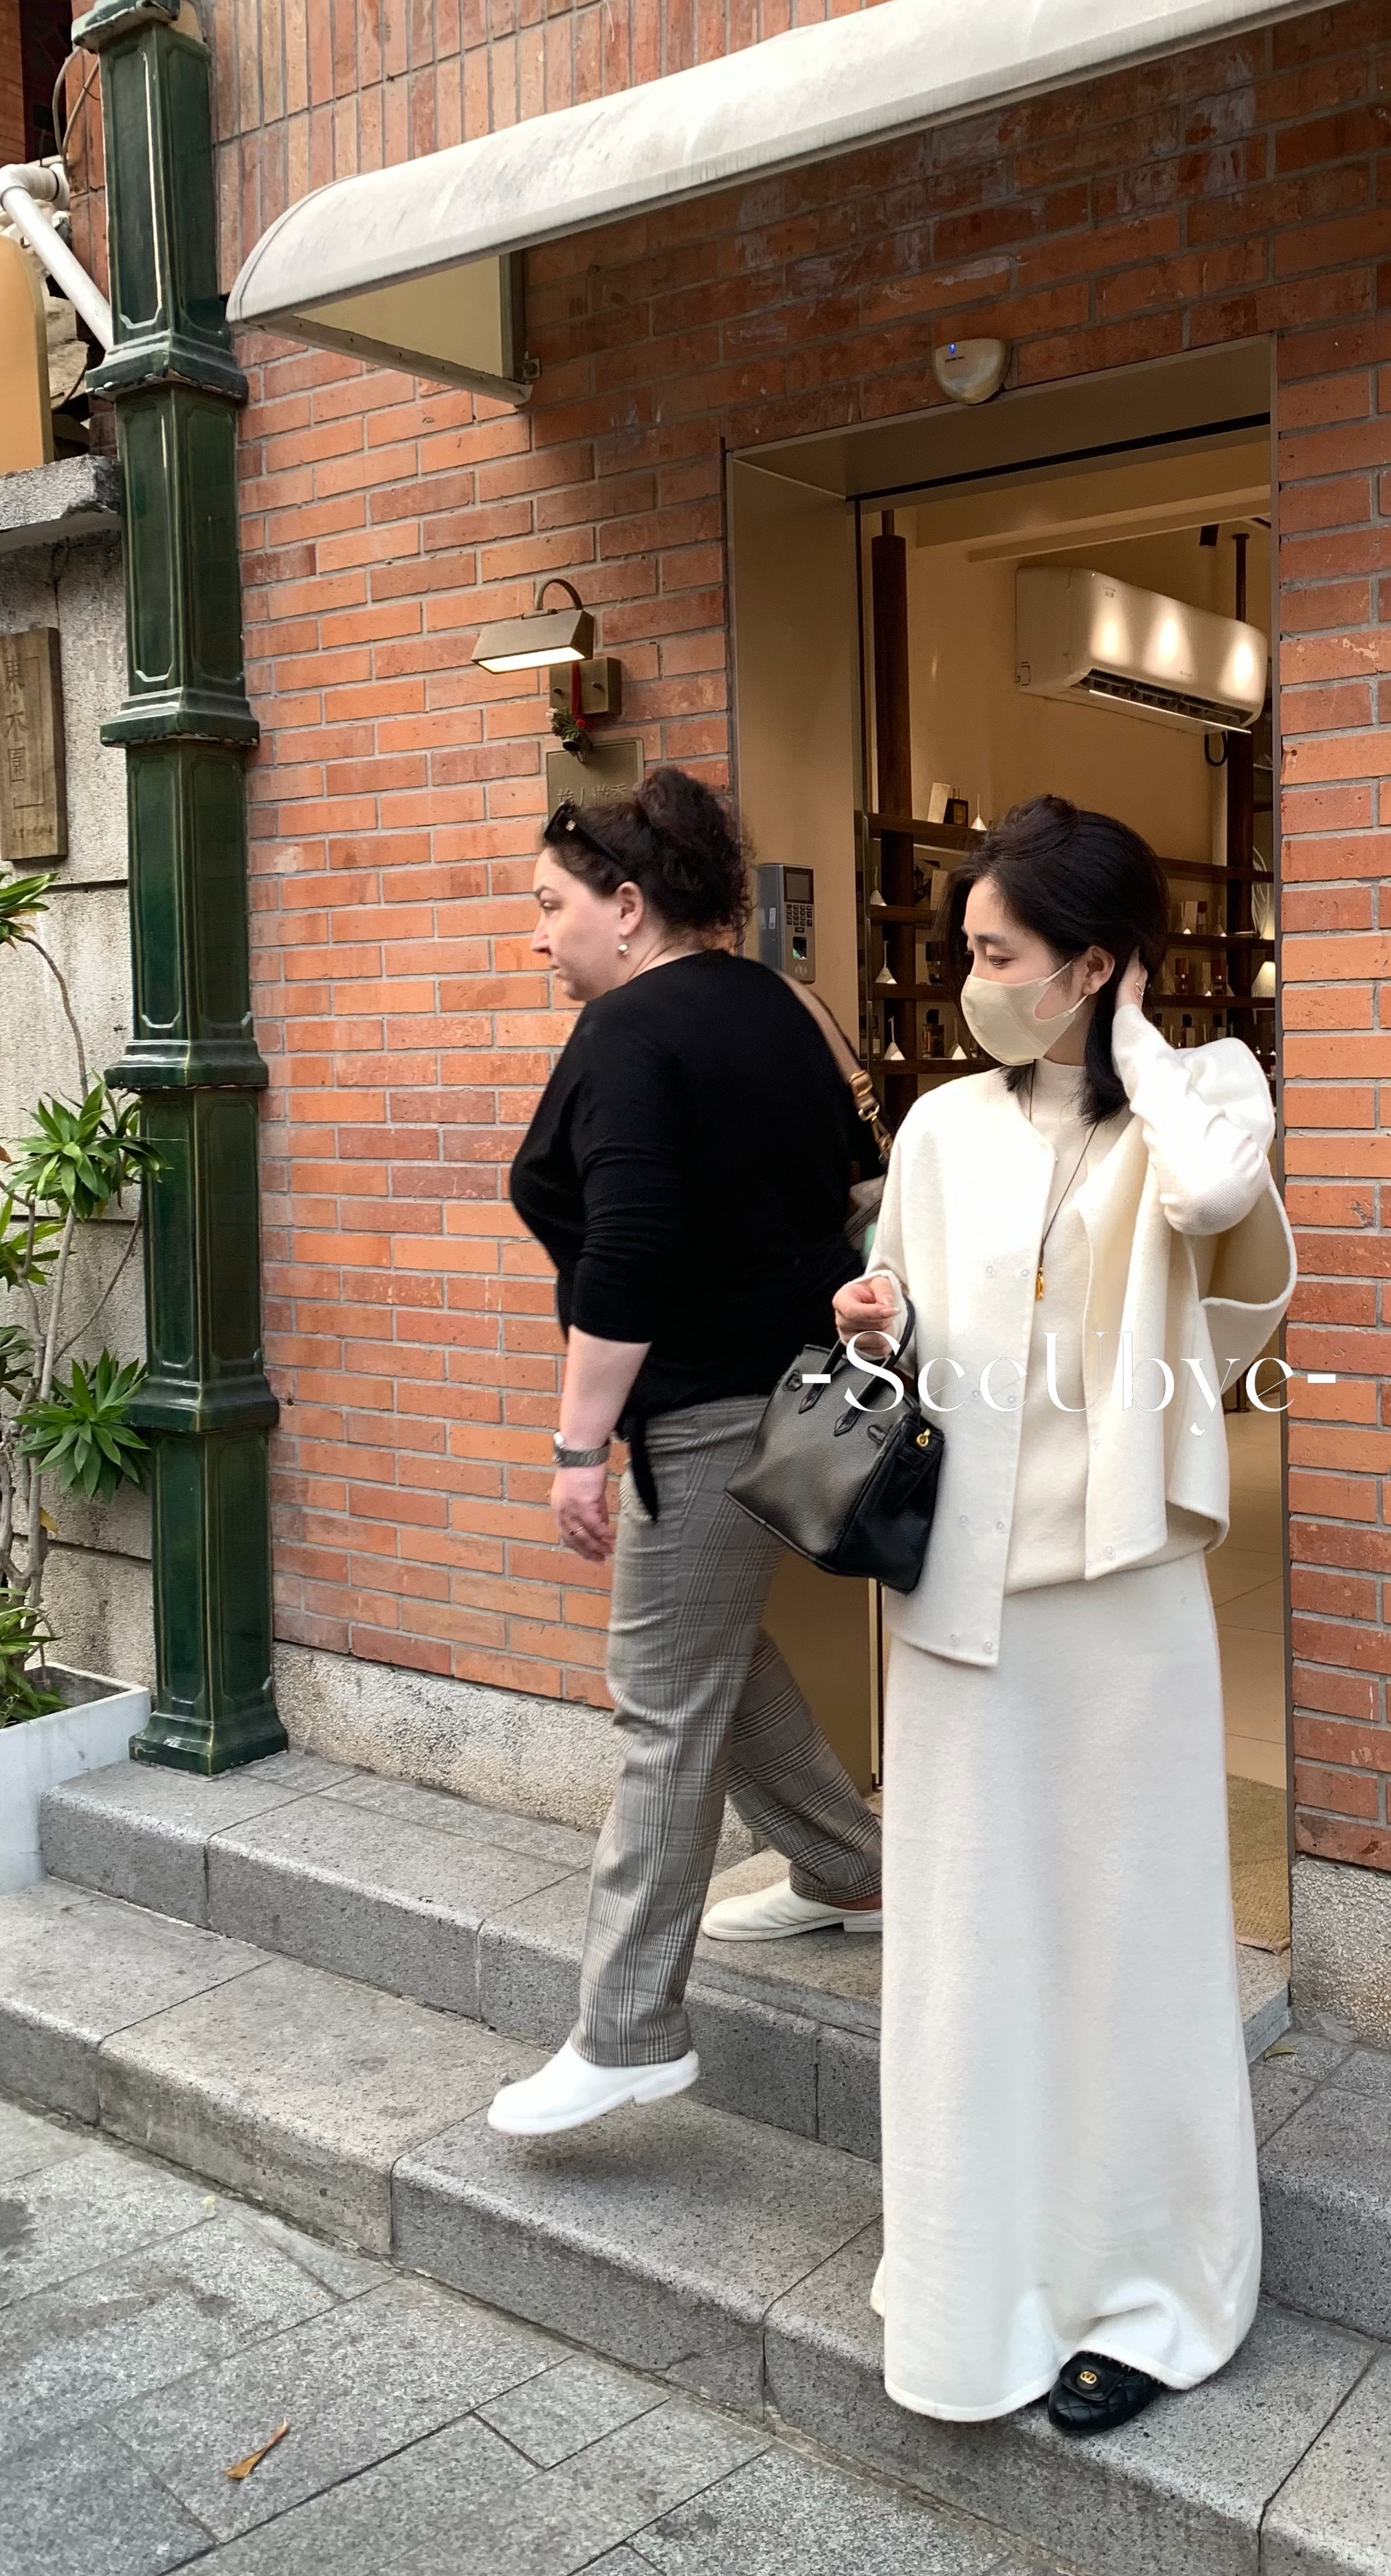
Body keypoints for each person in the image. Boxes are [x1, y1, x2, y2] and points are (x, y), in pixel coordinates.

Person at [829, 792, 1296, 2436]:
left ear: (1093, 964)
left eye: (1000, 953)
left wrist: (1152, 1061)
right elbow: (910, 1311)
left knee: (1129, 1943)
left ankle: (1149, 2292)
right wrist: (875, 1314)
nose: (974, 981)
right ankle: (980, 2279)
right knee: (969, 1952)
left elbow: (1235, 1268)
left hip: (1121, 1605)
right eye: (965, 951)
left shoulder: (1199, 1105)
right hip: (960, 1603)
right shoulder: (941, 1128)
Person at [488, 768, 886, 2138]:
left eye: (551, 906)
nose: (537, 936)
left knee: (660, 1705)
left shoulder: (628, 1032)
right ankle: (849, 1867)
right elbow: (853, 1184)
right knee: (710, 1651)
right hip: (808, 1396)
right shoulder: (784, 1005)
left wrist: (576, 1445)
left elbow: (631, 1254)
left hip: (706, 1412)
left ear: (627, 903)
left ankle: (628, 2032)